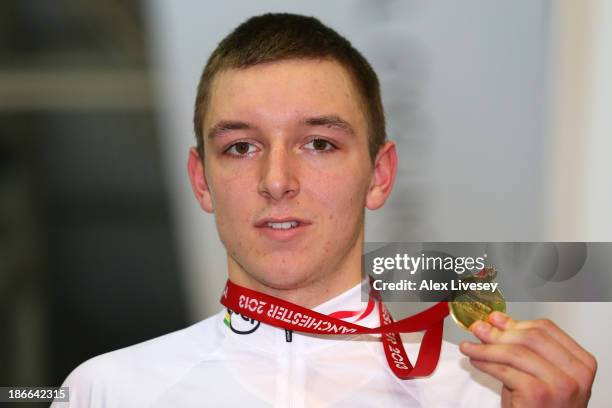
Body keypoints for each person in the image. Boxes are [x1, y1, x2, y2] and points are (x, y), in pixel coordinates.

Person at [53, 13, 597, 407]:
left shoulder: (485, 393)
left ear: (379, 175)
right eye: (241, 147)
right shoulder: (106, 390)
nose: (276, 181)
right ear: (201, 180)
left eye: (319, 143)